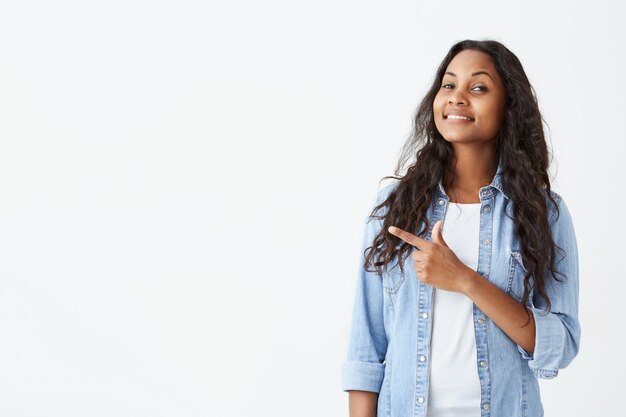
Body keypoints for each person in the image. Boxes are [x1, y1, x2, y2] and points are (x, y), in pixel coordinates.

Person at [341, 39, 580, 417]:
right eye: (449, 85)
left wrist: (465, 279)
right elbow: (366, 349)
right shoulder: (395, 207)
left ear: (509, 106)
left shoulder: (543, 212)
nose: (457, 97)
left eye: (479, 87)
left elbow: (559, 345)